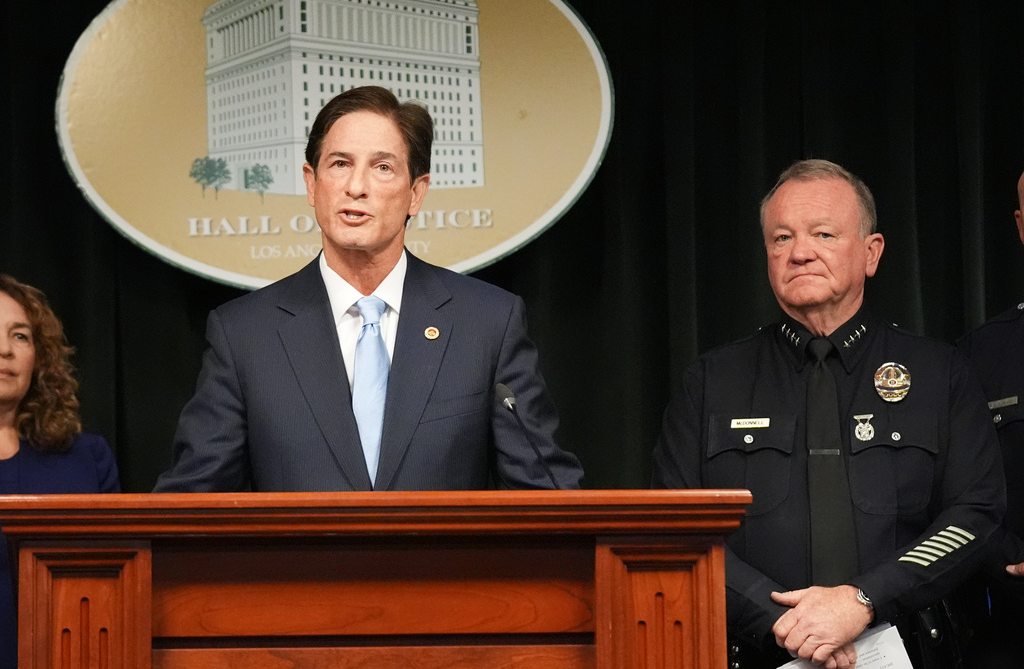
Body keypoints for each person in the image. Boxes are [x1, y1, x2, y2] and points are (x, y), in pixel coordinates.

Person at [651, 159, 1005, 669]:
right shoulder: (710, 382)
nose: (800, 252)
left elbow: (975, 513)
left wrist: (863, 601)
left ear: (871, 252)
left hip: (911, 650)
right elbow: (675, 528)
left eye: (823, 234)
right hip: (756, 651)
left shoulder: (939, 372)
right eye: (781, 238)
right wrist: (785, 622)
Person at [154, 86, 582, 492]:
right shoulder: (244, 335)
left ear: (416, 193)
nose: (356, 187)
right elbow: (192, 505)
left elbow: (545, 493)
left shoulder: (486, 323)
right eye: (340, 164)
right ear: (311, 183)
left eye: (382, 167)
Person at [0, 274, 120, 669]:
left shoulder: (87, 458)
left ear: (39, 356)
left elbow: (115, 585)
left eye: (20, 336)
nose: (4, 350)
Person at [955, 169, 1024, 668]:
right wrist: (1010, 562)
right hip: (1012, 621)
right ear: (1021, 225)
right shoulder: (978, 355)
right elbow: (955, 490)